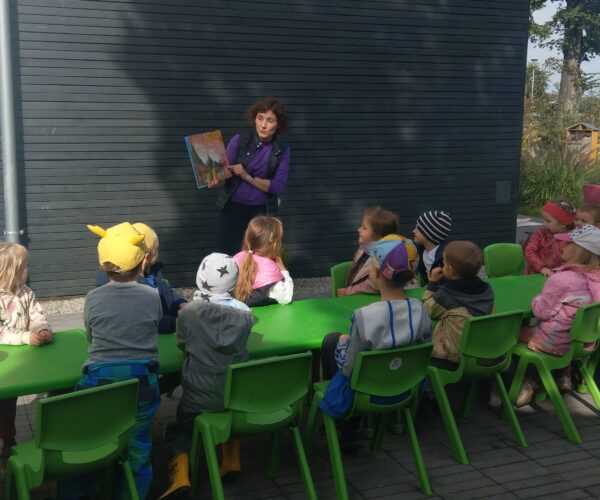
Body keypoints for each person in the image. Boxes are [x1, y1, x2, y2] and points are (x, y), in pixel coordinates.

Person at [319, 238, 432, 444]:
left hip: (365, 394)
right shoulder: (420, 310)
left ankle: (344, 425)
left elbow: (348, 368)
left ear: (377, 273)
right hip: (406, 389)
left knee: (330, 342)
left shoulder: (364, 316)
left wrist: (341, 344)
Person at [159, 253, 253, 499]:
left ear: (200, 278)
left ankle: (180, 476)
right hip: (234, 396)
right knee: (228, 414)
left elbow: (183, 345)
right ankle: (230, 460)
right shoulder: (245, 314)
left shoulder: (189, 312)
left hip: (197, 396)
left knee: (181, 429)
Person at [80, 222, 163, 498]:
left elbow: (91, 335)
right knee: (138, 449)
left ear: (102, 263)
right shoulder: (152, 295)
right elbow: (153, 324)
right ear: (142, 266)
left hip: (98, 381)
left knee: (91, 441)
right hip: (141, 382)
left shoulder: (93, 298)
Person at [516, 224, 600, 407]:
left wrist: (537, 299)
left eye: (568, 243)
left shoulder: (562, 279)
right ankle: (563, 376)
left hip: (552, 343)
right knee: (561, 328)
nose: (562, 246)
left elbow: (541, 311)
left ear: (579, 251)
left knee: (511, 335)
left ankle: (524, 382)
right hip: (582, 344)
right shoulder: (596, 278)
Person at [0, 243, 53, 474]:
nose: (28, 269)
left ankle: (10, 442)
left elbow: (37, 315)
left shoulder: (27, 293)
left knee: (9, 405)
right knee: (4, 404)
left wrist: (42, 328)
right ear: (11, 271)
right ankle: (7, 443)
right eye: (25, 266)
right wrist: (24, 337)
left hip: (25, 360)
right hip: (6, 365)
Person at [214, 97, 291, 255]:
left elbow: (278, 186)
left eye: (270, 120)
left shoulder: (282, 150)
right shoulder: (239, 140)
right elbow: (223, 172)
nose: (263, 125)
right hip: (232, 208)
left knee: (257, 255)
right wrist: (212, 178)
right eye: (260, 118)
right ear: (254, 119)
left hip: (262, 211)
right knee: (228, 253)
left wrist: (247, 176)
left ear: (278, 125)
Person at [96, 222, 187, 333]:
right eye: (156, 249)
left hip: (164, 319)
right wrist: (175, 323)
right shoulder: (129, 285)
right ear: (146, 256)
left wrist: (180, 303)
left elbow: (167, 293)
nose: (158, 252)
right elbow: (145, 317)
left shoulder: (154, 271)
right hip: (157, 329)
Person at [423, 241, 494, 364]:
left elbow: (428, 309)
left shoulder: (444, 296)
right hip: (483, 355)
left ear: (451, 270)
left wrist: (432, 284)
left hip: (453, 358)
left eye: (444, 264)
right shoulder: (487, 290)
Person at [337, 207, 417, 296]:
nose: (358, 230)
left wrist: (349, 291)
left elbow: (374, 285)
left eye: (364, 228)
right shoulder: (364, 247)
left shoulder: (382, 257)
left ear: (378, 235)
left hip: (371, 298)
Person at [233, 216, 293, 307]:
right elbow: (286, 298)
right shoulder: (270, 271)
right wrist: (284, 271)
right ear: (275, 245)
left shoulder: (238, 258)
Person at [524, 200, 575, 276]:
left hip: (559, 277)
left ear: (563, 223)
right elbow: (530, 251)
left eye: (548, 221)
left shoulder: (574, 239)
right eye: (544, 219)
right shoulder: (541, 234)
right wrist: (542, 268)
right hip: (535, 274)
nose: (544, 224)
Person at [412, 210, 453, 285]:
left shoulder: (445, 257)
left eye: (418, 228)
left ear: (429, 233)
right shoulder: (421, 250)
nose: (413, 231)